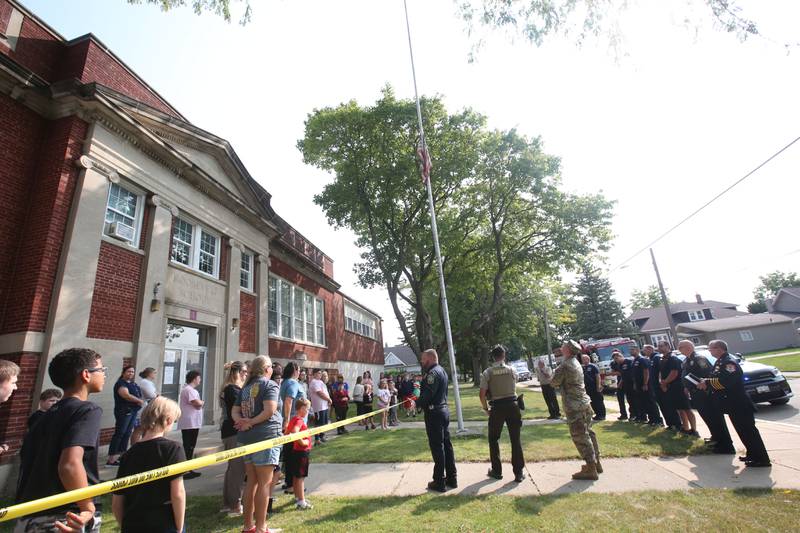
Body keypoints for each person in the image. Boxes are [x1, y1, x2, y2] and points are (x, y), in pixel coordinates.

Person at [16, 348, 106, 533]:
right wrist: (87, 507)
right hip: (66, 518)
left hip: (29, 516)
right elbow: (69, 464)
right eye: (102, 370)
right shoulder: (87, 410)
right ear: (86, 375)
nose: (104, 375)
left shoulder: (43, 417)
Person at [112, 396, 186, 533]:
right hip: (163, 521)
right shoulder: (173, 449)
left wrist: (124, 525)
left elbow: (117, 498)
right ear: (168, 420)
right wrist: (179, 527)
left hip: (133, 522)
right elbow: (178, 493)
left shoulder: (129, 454)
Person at [698, 340, 771, 467]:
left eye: (711, 349)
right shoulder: (720, 361)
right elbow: (717, 377)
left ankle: (761, 459)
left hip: (739, 403)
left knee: (748, 431)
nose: (710, 351)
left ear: (720, 348)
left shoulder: (728, 362)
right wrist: (707, 381)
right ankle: (752, 454)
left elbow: (727, 381)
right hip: (732, 404)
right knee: (742, 431)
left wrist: (708, 383)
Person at [232, 355, 283, 533]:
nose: (273, 371)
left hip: (247, 439)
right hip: (265, 437)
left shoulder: (245, 388)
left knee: (251, 482)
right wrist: (250, 422)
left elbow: (234, 411)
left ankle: (248, 527)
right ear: (266, 368)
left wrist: (243, 422)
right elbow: (270, 410)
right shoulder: (270, 385)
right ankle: (261, 528)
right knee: (264, 484)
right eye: (271, 367)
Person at [551, 341, 602, 481]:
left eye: (563, 346)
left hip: (574, 406)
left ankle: (591, 468)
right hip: (584, 402)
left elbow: (553, 382)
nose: (561, 347)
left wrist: (546, 372)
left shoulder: (565, 365)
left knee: (580, 435)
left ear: (567, 349)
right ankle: (596, 463)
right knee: (589, 432)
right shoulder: (575, 362)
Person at [479, 345, 525, 482]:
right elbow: (515, 382)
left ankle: (496, 471)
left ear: (492, 357)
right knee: (515, 439)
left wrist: (486, 408)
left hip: (497, 407)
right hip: (513, 405)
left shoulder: (487, 373)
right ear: (504, 356)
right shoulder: (512, 370)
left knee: (493, 439)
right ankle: (518, 473)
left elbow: (481, 394)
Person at [679, 340, 732, 451]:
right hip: (695, 393)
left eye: (681, 347)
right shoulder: (686, 360)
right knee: (707, 418)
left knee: (714, 418)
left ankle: (725, 444)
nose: (679, 349)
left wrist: (704, 384)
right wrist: (686, 387)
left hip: (705, 394)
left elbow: (708, 374)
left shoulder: (699, 359)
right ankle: (716, 438)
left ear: (689, 347)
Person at [417, 349, 457, 492]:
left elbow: (427, 395)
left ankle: (439, 481)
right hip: (443, 410)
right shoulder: (442, 371)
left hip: (434, 413)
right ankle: (452, 478)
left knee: (437, 447)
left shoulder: (432, 374)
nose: (422, 362)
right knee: (446, 445)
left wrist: (417, 402)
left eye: (423, 359)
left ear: (429, 359)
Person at [219, 360, 248, 515]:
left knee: (233, 469)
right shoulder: (232, 390)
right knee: (237, 469)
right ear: (236, 372)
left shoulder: (232, 389)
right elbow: (244, 409)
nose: (246, 374)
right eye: (243, 371)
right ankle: (234, 504)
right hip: (233, 432)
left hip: (232, 431)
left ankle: (228, 502)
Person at [106, 365, 144, 466]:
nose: (131, 373)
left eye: (132, 372)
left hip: (133, 411)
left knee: (127, 433)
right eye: (129, 371)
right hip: (124, 412)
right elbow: (125, 395)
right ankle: (111, 459)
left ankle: (121, 456)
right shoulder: (121, 383)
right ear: (123, 372)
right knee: (120, 433)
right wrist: (138, 400)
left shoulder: (133, 383)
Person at [280, 362, 306, 491]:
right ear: (295, 370)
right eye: (299, 369)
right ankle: (292, 485)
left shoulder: (284, 382)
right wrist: (287, 420)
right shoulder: (292, 383)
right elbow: (289, 400)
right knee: (295, 456)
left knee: (289, 454)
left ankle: (289, 482)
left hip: (293, 423)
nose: (300, 372)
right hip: (295, 424)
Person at [285, 397, 313, 510]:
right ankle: (302, 502)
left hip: (295, 452)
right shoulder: (299, 420)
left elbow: (287, 432)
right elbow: (294, 432)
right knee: (300, 477)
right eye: (307, 409)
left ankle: (298, 497)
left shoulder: (293, 419)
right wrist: (303, 442)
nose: (308, 411)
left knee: (296, 476)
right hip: (301, 452)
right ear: (301, 409)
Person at [177, 370, 204, 479]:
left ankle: (188, 468)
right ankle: (185, 470)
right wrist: (202, 402)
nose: (200, 380)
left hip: (192, 422)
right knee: (189, 446)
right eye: (199, 378)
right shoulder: (189, 390)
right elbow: (196, 403)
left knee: (190, 446)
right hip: (190, 422)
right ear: (194, 379)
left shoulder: (190, 390)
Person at [656, 341, 684, 432]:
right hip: (666, 385)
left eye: (661, 346)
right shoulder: (662, 358)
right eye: (658, 346)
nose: (659, 348)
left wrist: (665, 383)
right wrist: (661, 382)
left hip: (675, 385)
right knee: (669, 407)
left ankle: (679, 426)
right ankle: (673, 425)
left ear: (668, 346)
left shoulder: (672, 358)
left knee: (678, 408)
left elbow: (674, 372)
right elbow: (660, 372)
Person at [630, 345, 660, 425]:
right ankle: (651, 419)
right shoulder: (634, 361)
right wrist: (635, 384)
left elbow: (646, 371)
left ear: (637, 350)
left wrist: (645, 383)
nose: (631, 351)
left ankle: (657, 420)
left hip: (646, 385)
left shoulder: (642, 359)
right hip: (639, 385)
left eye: (632, 350)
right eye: (630, 350)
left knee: (650, 402)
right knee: (644, 403)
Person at [131, 367, 159, 445]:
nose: (155, 375)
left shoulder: (146, 382)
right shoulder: (145, 382)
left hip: (144, 407)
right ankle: (134, 449)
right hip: (142, 408)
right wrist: (156, 395)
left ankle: (142, 447)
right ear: (149, 374)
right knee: (139, 429)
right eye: (154, 373)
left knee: (144, 429)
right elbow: (151, 395)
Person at [643, 344, 665, 427]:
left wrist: (661, 383)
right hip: (653, 385)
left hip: (658, 386)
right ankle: (655, 420)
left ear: (650, 349)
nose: (644, 352)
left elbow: (660, 371)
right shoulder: (650, 358)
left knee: (662, 405)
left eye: (645, 350)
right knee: (657, 404)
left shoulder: (656, 357)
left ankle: (660, 421)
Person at [609, 351, 635, 421]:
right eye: (614, 359)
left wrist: (616, 374)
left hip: (627, 382)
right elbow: (614, 373)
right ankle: (623, 414)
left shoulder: (628, 362)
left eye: (617, 358)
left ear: (621, 356)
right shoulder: (616, 364)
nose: (616, 360)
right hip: (621, 381)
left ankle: (633, 414)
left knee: (630, 399)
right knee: (620, 398)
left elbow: (623, 374)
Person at [308, 369, 332, 444]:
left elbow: (325, 392)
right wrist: (328, 399)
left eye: (321, 373)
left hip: (324, 406)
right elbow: (319, 393)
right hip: (319, 407)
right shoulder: (314, 382)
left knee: (324, 423)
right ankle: (317, 439)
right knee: (318, 423)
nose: (320, 374)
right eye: (319, 373)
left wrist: (328, 400)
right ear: (314, 374)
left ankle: (322, 437)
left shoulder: (321, 382)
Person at [580, 354, 606, 421]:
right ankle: (597, 415)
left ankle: (602, 415)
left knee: (598, 401)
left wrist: (598, 386)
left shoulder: (593, 366)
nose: (583, 360)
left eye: (584, 359)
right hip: (587, 387)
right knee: (592, 402)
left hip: (594, 386)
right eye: (582, 359)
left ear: (588, 359)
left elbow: (597, 376)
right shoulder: (582, 367)